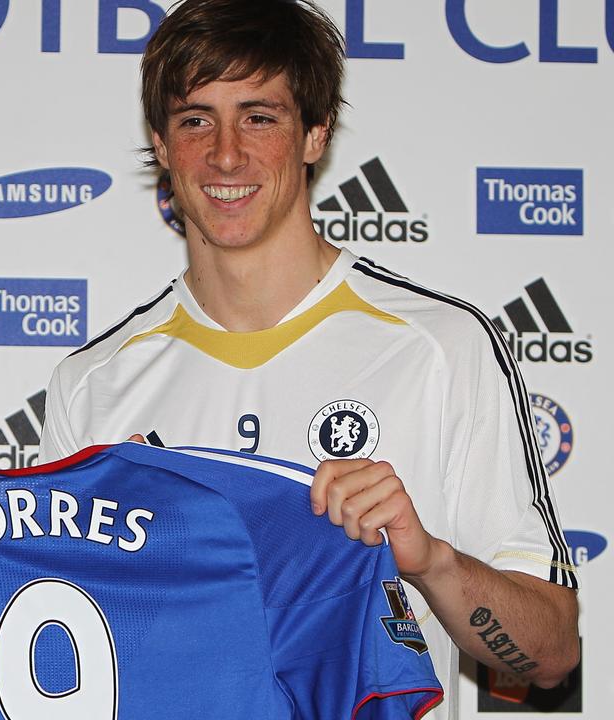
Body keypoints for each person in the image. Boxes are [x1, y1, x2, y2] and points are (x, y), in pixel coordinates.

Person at [37, 0, 578, 716]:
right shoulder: (93, 384)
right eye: (195, 119)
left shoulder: (440, 346)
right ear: (161, 144)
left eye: (260, 117)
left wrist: (427, 559)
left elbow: (551, 655)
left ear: (316, 133)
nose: (226, 155)